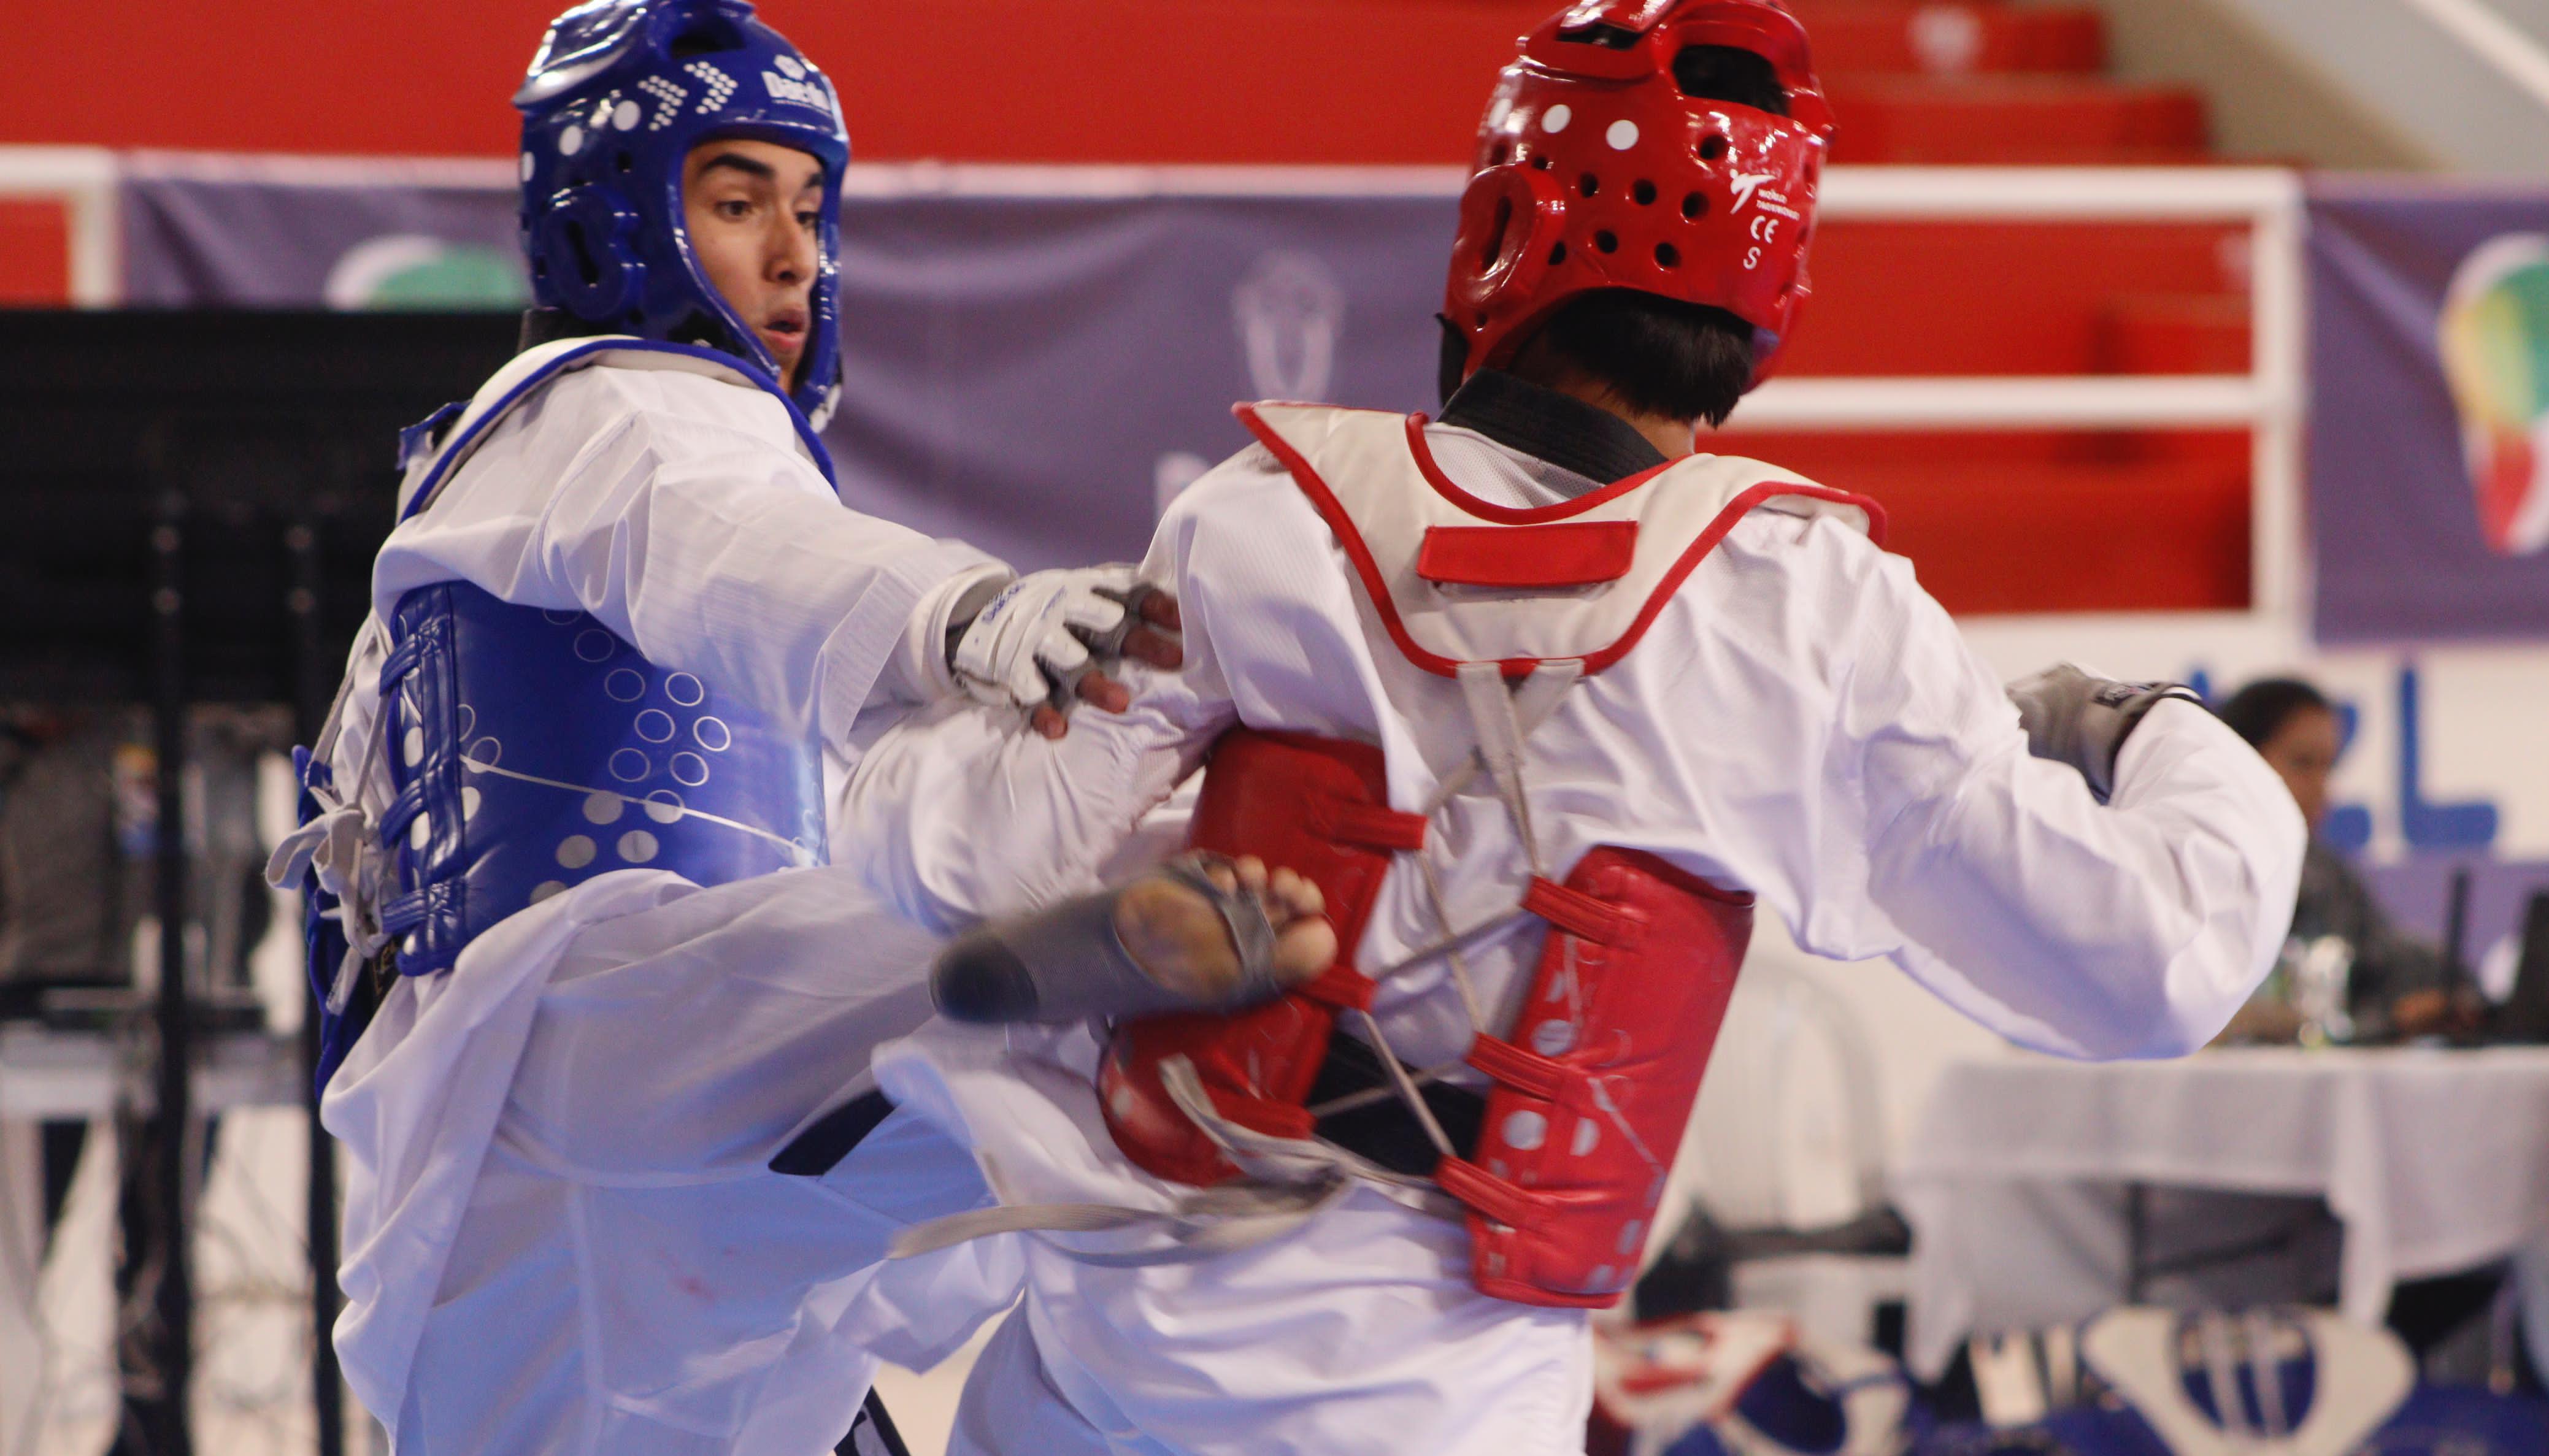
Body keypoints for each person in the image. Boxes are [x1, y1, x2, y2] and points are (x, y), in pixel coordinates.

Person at [837, 4, 2309, 1451]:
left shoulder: (1265, 515)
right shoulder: (1804, 608)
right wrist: (2144, 728)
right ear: (1763, 303)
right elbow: (2148, 968)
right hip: (1437, 1389)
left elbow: (969, 853)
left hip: (1115, 1318)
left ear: (1500, 232)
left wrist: (965, 673)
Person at [260, 3, 1334, 1450]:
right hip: (584, 1050)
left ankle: (1089, 1015)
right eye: (735, 199)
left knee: (978, 1138)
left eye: (811, 208)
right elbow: (726, 542)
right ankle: (1124, 998)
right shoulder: (617, 405)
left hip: (596, 1217)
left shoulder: (516, 453)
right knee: (969, 1026)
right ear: (616, 217)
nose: (792, 254)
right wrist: (957, 616)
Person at [2216, 676, 2477, 1041]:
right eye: (2303, 763)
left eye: (2329, 767)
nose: (2322, 789)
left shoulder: (2324, 873)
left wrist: (2450, 995)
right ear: (2239, 761)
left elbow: (2387, 961)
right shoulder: (2194, 869)